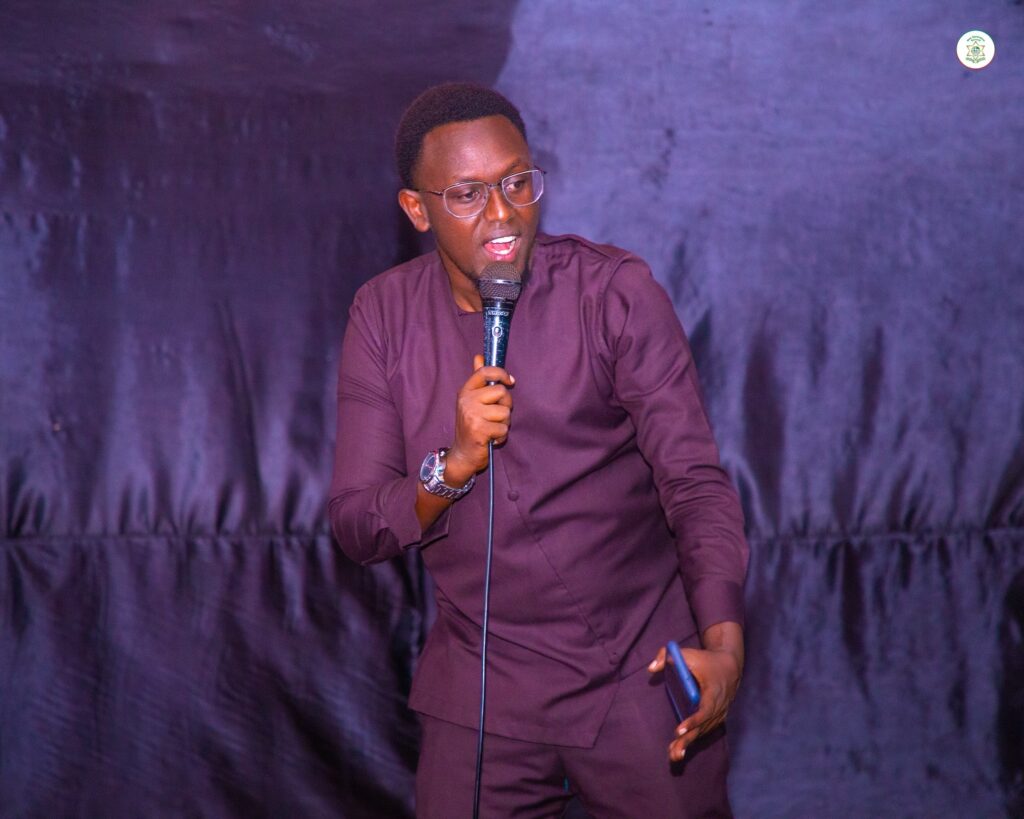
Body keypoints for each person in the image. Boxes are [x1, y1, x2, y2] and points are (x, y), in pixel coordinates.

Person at [328, 82, 749, 818]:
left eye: (517, 182)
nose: (502, 213)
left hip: (638, 671)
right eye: (467, 194)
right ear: (417, 210)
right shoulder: (383, 316)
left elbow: (693, 483)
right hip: (485, 690)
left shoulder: (612, 294)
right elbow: (358, 525)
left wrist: (725, 647)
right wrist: (452, 465)